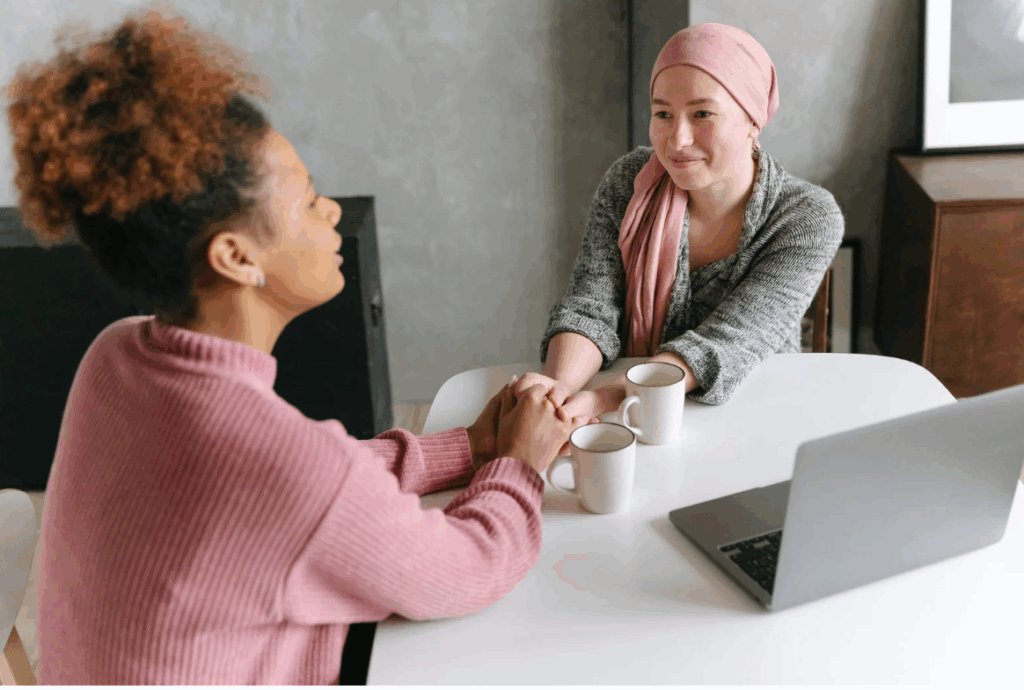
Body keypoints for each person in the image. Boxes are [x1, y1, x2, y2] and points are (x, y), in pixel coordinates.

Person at [6, 10, 593, 684]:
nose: (332, 213)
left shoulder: (113, 357)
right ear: (236, 257)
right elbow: (471, 567)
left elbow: (306, 486)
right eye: (309, 199)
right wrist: (521, 464)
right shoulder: (279, 464)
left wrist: (466, 449)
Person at [515, 23, 844, 418]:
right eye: (663, 114)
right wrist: (559, 391)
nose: (677, 140)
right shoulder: (630, 183)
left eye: (702, 113)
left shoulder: (806, 218)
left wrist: (604, 400)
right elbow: (591, 309)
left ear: (753, 120)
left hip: (755, 415)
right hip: (636, 419)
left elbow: (724, 344)